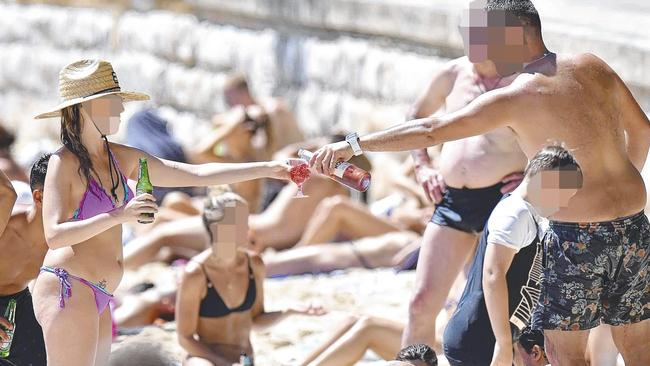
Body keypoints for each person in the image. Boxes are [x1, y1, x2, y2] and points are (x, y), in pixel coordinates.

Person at [310, 0, 650, 363]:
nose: (481, 49)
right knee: (639, 347)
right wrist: (617, 190)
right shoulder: (593, 66)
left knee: (565, 354)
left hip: (576, 237)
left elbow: (430, 130)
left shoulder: (518, 96)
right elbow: (642, 132)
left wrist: (355, 144)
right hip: (633, 225)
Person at [30, 59, 290, 366]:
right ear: (89, 106)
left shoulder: (119, 157)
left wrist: (269, 168)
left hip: (99, 292)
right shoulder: (64, 163)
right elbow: (54, 235)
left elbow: (195, 175)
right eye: (115, 102)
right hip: (69, 286)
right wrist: (120, 216)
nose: (122, 110)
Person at [443, 145, 581, 365]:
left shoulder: (529, 215)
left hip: (491, 336)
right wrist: (503, 344)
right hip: (478, 337)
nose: (563, 204)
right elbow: (492, 275)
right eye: (563, 194)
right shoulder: (515, 214)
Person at [176, 191, 324, 365]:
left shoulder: (254, 264)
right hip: (208, 359)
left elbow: (256, 320)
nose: (248, 228)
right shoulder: (196, 273)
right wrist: (223, 363)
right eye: (239, 222)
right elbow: (185, 338)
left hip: (244, 360)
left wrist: (290, 310)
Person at [0, 154, 50, 366]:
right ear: (39, 197)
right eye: (66, 191)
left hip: (19, 303)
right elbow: (4, 189)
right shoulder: (6, 225)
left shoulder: (66, 241)